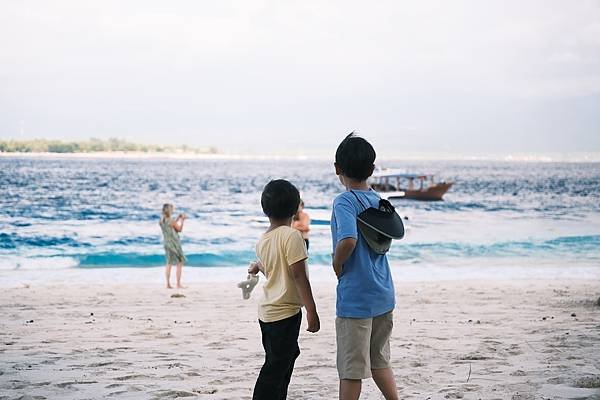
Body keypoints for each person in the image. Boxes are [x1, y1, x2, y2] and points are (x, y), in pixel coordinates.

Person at [331, 133, 399, 400]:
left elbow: (348, 240)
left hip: (356, 298)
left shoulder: (344, 201)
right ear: (372, 170)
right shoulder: (379, 201)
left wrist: (337, 263)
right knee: (380, 360)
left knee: (351, 369)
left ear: (338, 168)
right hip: (383, 292)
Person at [248, 179, 320, 400]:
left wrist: (258, 266)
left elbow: (274, 270)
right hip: (285, 312)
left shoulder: (263, 240)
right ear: (295, 207)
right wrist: (311, 310)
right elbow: (298, 276)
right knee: (276, 367)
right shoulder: (292, 236)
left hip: (267, 313)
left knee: (283, 358)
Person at [159, 203, 187, 289]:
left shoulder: (161, 221)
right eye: (172, 209)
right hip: (174, 242)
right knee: (180, 262)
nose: (172, 210)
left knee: (169, 263)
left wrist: (177, 219)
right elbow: (179, 229)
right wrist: (182, 220)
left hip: (167, 243)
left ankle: (168, 284)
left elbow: (171, 226)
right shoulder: (171, 220)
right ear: (169, 210)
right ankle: (178, 284)